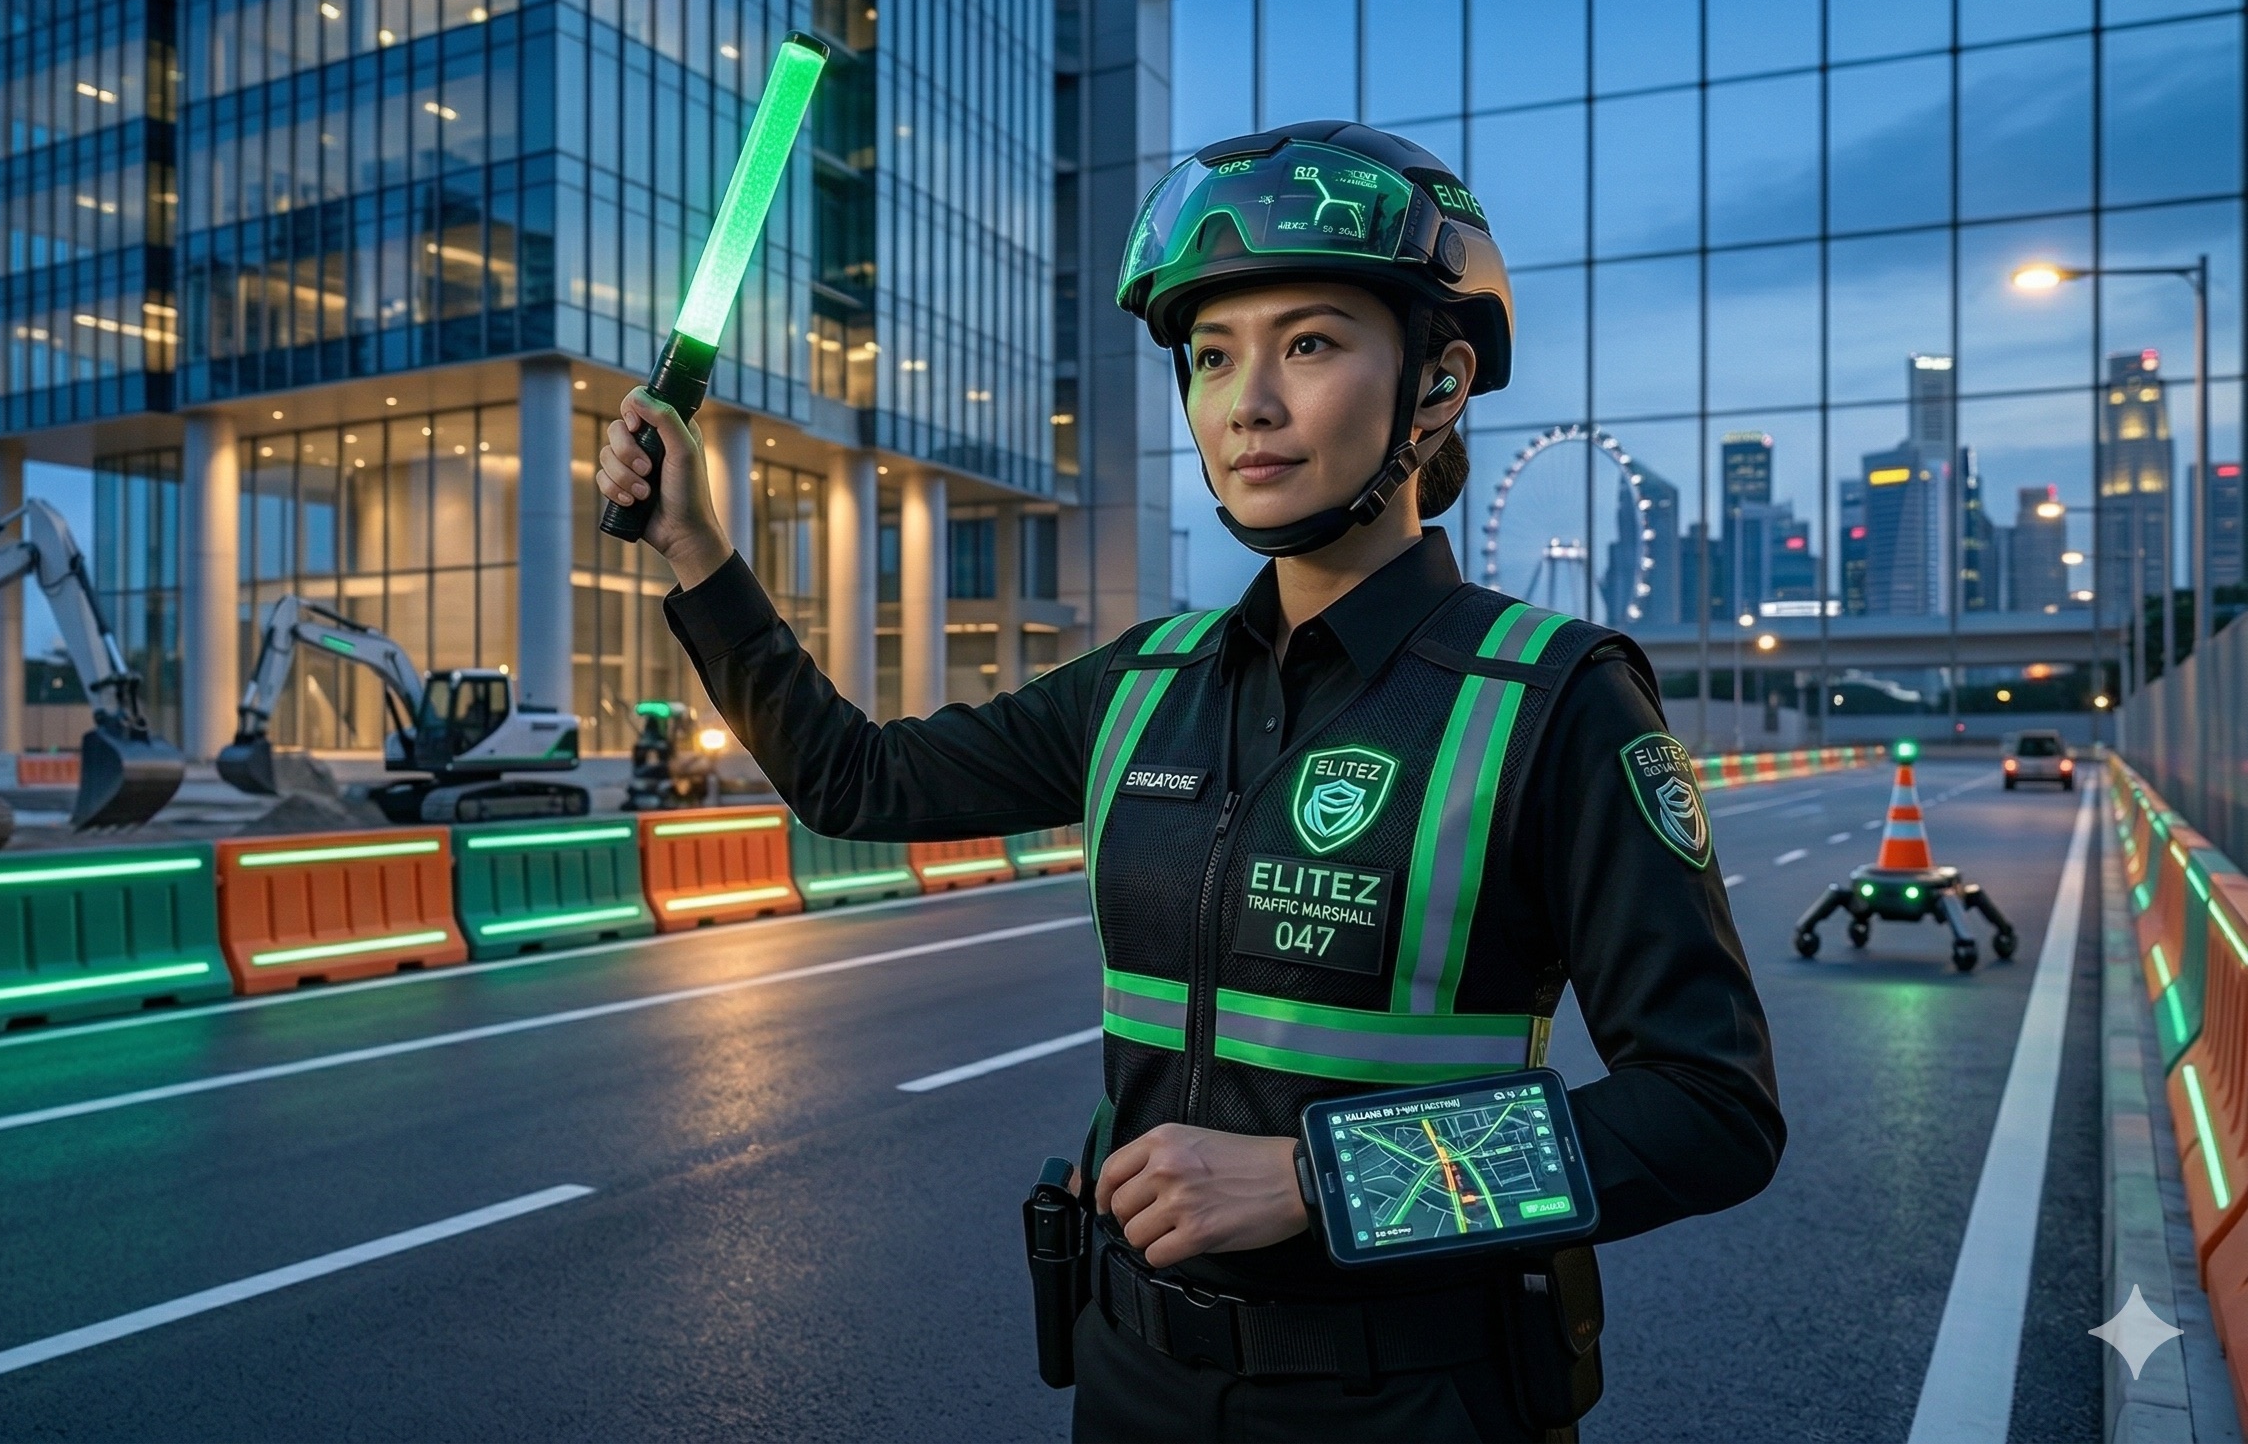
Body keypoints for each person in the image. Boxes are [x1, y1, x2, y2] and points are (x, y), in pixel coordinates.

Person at [596, 120, 1784, 1442]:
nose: (1246, 404)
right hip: (1133, 1377)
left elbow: (1710, 1111)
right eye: (1213, 356)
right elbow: (855, 781)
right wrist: (696, 549)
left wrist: (1320, 1179)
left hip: (1409, 1400)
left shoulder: (1553, 700)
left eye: (1310, 345)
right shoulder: (1144, 683)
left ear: (1439, 383)